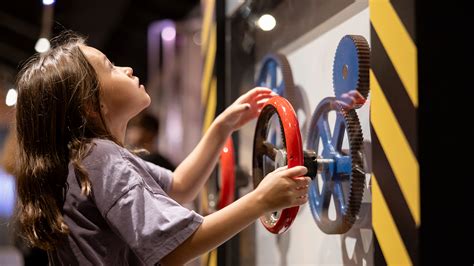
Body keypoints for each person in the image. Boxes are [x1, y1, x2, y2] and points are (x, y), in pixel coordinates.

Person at [13, 32, 311, 265]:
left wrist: (221, 128)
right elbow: (173, 249)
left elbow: (179, 186)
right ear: (91, 105)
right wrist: (260, 201)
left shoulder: (86, 160)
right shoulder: (101, 158)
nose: (127, 68)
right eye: (111, 67)